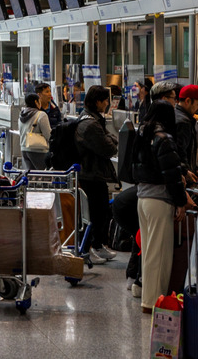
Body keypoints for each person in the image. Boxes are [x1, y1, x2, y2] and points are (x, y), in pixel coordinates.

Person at [133, 100, 196, 314]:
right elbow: (171, 177)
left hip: (143, 198)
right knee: (159, 256)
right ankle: (153, 303)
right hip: (160, 201)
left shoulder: (143, 133)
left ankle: (148, 299)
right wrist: (180, 201)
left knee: (150, 253)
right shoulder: (165, 139)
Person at [74, 85, 119, 265]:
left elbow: (109, 140)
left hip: (94, 173)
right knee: (92, 213)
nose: (108, 103)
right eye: (106, 100)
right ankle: (86, 249)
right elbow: (109, 147)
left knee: (100, 211)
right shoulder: (90, 124)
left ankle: (97, 245)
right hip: (90, 174)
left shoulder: (93, 119)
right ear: (98, 101)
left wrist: (110, 138)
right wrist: (112, 140)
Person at [175, 85, 198, 183]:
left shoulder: (176, 114)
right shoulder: (183, 122)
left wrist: (195, 168)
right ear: (188, 101)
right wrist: (186, 171)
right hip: (183, 178)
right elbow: (180, 152)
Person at [19, 93, 51, 170]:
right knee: (43, 176)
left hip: (24, 149)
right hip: (38, 149)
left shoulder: (21, 115)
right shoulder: (41, 115)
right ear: (36, 102)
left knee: (31, 176)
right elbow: (48, 135)